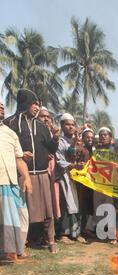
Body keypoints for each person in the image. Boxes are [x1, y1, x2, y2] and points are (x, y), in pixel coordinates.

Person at [5, 89, 59, 253]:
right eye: (34, 103)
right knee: (21, 211)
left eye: (38, 104)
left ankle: (51, 240)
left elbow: (51, 149)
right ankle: (22, 242)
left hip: (42, 174)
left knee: (48, 211)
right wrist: (20, 155)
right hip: (22, 175)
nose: (37, 107)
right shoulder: (10, 124)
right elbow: (7, 148)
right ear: (25, 103)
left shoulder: (42, 126)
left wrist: (55, 137)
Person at [0, 101, 32, 263]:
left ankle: (18, 249)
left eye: (2, 106)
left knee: (21, 216)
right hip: (1, 182)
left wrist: (26, 178)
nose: (1, 107)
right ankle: (9, 252)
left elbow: (19, 159)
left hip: (12, 183)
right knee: (5, 219)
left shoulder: (10, 133)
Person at [56, 113, 86, 244]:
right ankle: (63, 234)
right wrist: (73, 165)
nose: (71, 127)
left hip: (77, 178)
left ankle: (76, 233)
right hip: (64, 177)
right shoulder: (59, 141)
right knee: (66, 203)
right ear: (62, 126)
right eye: (68, 124)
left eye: (73, 124)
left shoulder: (78, 141)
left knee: (76, 203)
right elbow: (59, 160)